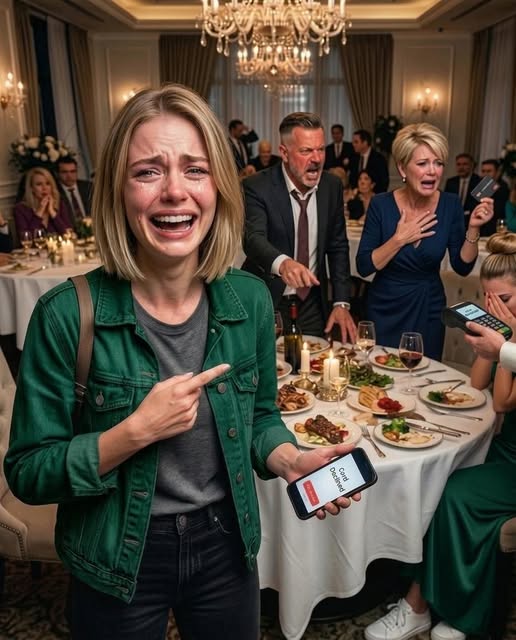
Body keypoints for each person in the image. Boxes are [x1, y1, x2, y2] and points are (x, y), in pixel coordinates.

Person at [5, 84, 359, 640]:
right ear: (118, 190)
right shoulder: (66, 314)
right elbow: (29, 471)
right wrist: (133, 433)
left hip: (226, 544)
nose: (175, 191)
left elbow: (260, 416)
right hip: (116, 551)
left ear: (218, 187)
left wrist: (289, 458)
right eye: (148, 171)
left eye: (195, 170)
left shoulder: (250, 299)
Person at [365, 232, 516, 640]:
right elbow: (478, 383)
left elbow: (503, 402)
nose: (496, 308)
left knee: (452, 492)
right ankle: (418, 597)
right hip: (502, 447)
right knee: (434, 477)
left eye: (505, 299)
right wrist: (491, 340)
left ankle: (428, 607)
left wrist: (508, 340)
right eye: (489, 299)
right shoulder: (503, 333)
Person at [356, 122, 493, 361]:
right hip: (385, 305)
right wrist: (399, 239)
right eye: (422, 163)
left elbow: (462, 266)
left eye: (438, 163)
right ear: (402, 168)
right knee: (382, 373)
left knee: (424, 372)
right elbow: (364, 266)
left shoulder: (450, 204)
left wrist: (473, 228)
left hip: (428, 305)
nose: (433, 171)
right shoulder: (381, 205)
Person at [241, 111, 356, 342]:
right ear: (284, 152)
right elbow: (253, 238)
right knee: (270, 364)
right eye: (306, 151)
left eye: (321, 149)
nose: (317, 159)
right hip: (269, 300)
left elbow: (338, 247)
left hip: (312, 302)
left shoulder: (331, 186)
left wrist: (341, 302)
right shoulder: (257, 186)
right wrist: (283, 264)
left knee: (314, 361)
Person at [13, 166, 72, 238]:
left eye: (48, 183)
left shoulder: (60, 204)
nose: (44, 188)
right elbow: (27, 238)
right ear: (31, 188)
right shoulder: (20, 209)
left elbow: (68, 234)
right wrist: (40, 211)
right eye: (39, 184)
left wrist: (52, 212)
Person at [56, 156, 93, 229]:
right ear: (57, 173)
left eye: (72, 171)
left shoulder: (88, 187)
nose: (69, 176)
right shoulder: (55, 191)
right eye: (64, 172)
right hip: (69, 230)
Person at [348, 129, 389, 193]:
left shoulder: (379, 158)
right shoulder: (353, 158)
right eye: (353, 142)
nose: (353, 144)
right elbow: (352, 178)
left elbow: (384, 181)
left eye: (356, 142)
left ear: (365, 143)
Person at [477, 159, 510, 236]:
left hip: (495, 231)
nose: (485, 174)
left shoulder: (503, 188)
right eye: (483, 171)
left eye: (489, 171)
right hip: (478, 228)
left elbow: (498, 212)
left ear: (497, 173)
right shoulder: (479, 185)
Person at [444, 152, 481, 219]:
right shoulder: (451, 182)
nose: (461, 167)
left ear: (471, 165)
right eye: (458, 164)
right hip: (453, 217)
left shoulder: (479, 182)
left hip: (472, 218)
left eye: (465, 164)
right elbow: (446, 202)